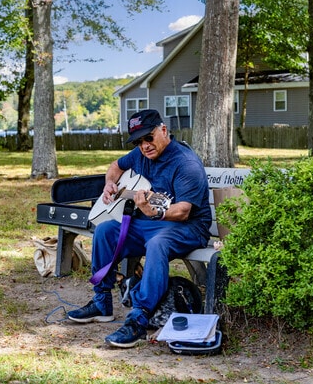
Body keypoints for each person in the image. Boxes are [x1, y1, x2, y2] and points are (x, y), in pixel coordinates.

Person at [67, 109, 212, 348]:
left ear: (163, 130)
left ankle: (140, 318)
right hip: (151, 223)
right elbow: (116, 166)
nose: (145, 145)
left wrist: (154, 211)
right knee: (105, 231)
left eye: (149, 137)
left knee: (157, 244)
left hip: (188, 227)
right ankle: (102, 301)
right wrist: (109, 184)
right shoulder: (141, 154)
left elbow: (184, 211)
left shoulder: (185, 163)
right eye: (139, 141)